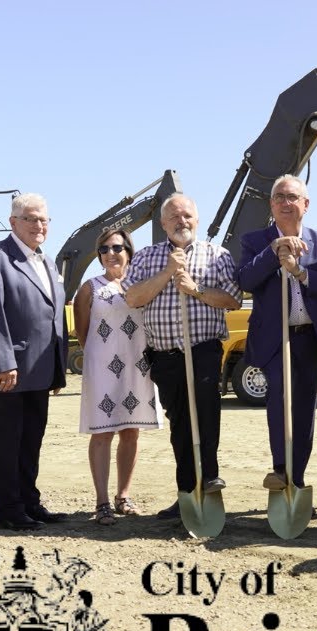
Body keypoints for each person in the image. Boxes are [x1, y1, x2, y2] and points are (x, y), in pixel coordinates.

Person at [123, 193, 241, 520]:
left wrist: (195, 289)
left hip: (202, 349)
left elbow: (232, 299)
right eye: (174, 217)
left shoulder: (217, 256)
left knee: (205, 414)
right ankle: (187, 493)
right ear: (163, 224)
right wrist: (166, 274)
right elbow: (132, 297)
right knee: (180, 426)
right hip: (165, 356)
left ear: (197, 219)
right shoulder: (147, 257)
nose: (181, 221)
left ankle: (210, 483)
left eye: (187, 215)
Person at [236, 175, 317, 491]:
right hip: (274, 338)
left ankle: (296, 479)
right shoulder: (254, 241)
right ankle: (280, 470)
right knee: (280, 399)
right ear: (272, 204)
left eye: (293, 197)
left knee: (304, 410)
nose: (286, 202)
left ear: (305, 204)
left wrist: (301, 272)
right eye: (280, 197)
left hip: (309, 337)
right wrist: (274, 252)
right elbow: (245, 281)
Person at [0, 193, 68, 531]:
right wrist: (3, 362)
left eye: (44, 219)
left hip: (40, 371)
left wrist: (58, 367)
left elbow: (55, 318)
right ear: (13, 222)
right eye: (31, 218)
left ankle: (29, 501)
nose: (39, 225)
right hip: (8, 371)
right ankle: (8, 509)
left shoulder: (48, 262)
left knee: (30, 441)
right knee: (6, 442)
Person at [73, 228, 162, 525]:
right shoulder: (89, 288)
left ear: (129, 251)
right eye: (104, 249)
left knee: (131, 431)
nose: (111, 253)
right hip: (103, 368)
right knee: (103, 432)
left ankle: (123, 495)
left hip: (138, 365)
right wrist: (103, 357)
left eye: (117, 248)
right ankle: (101, 502)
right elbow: (83, 334)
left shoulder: (143, 285)